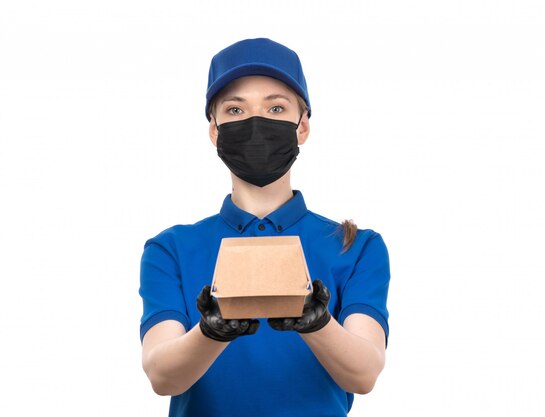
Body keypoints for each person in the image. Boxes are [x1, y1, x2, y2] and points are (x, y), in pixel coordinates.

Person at [138, 37, 391, 417]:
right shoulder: (170, 249)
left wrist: (316, 323)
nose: (257, 123)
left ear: (302, 127)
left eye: (276, 107)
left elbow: (365, 374)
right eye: (236, 110)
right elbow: (162, 376)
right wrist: (212, 331)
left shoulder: (355, 246)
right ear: (215, 131)